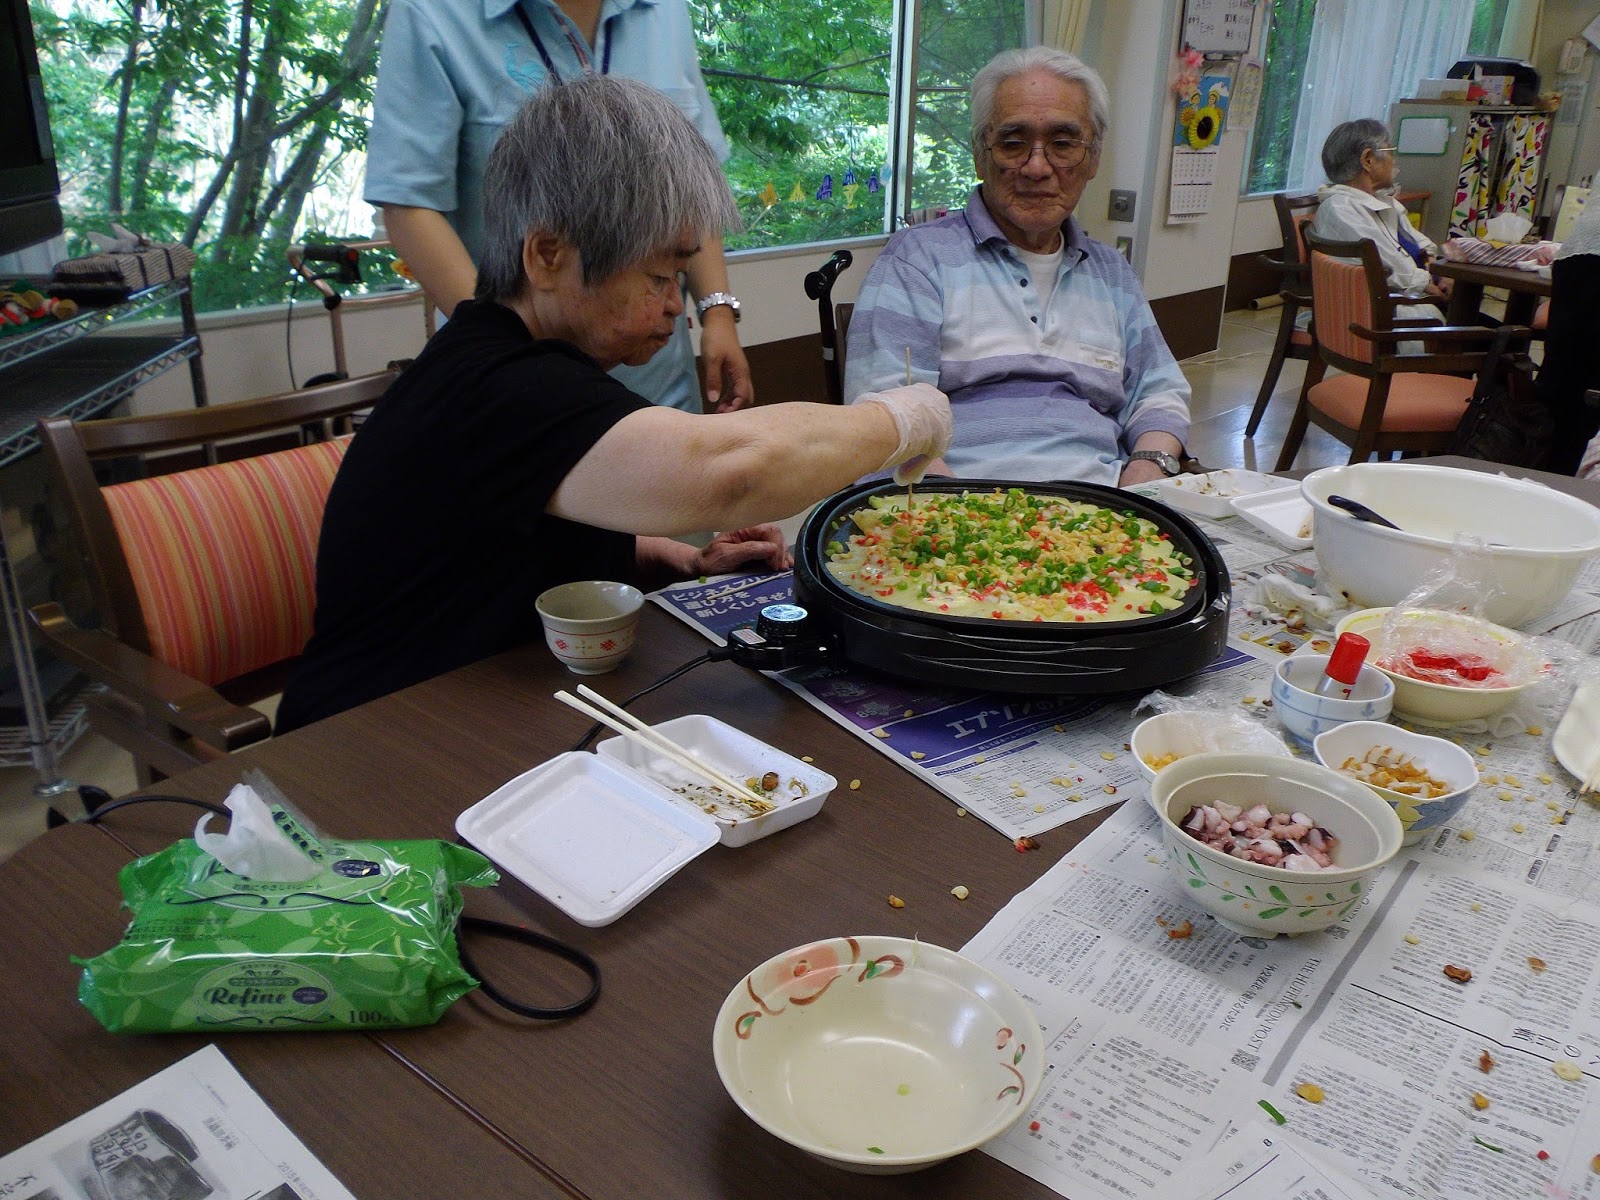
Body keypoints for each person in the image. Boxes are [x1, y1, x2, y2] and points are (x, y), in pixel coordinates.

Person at [276, 77, 950, 733]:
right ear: (547, 255)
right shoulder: (501, 385)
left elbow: (517, 543)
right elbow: (735, 473)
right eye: (658, 276)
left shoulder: (518, 363)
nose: (674, 306)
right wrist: (908, 418)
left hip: (472, 708)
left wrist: (679, 560)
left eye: (679, 278)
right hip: (362, 740)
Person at [363, 0, 751, 414]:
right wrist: (508, 355)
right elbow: (409, 201)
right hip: (519, 391)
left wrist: (717, 312)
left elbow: (693, 190)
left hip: (658, 385)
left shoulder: (664, 11)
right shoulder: (431, 12)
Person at [842, 46, 1191, 488]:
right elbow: (887, 420)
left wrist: (1147, 468)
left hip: (1103, 506)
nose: (1037, 167)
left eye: (1063, 144)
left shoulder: (1112, 273)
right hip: (957, 504)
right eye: (1013, 143)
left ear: (1093, 159)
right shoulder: (917, 260)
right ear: (980, 154)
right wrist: (965, 514)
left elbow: (1159, 391)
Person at [1311, 119, 1447, 327]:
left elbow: (1423, 246)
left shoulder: (1384, 202)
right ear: (1368, 160)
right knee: (1485, 332)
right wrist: (1431, 284)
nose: (1394, 161)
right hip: (1386, 313)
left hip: (1410, 298)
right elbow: (1390, 268)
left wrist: (1440, 274)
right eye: (1390, 151)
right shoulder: (1341, 209)